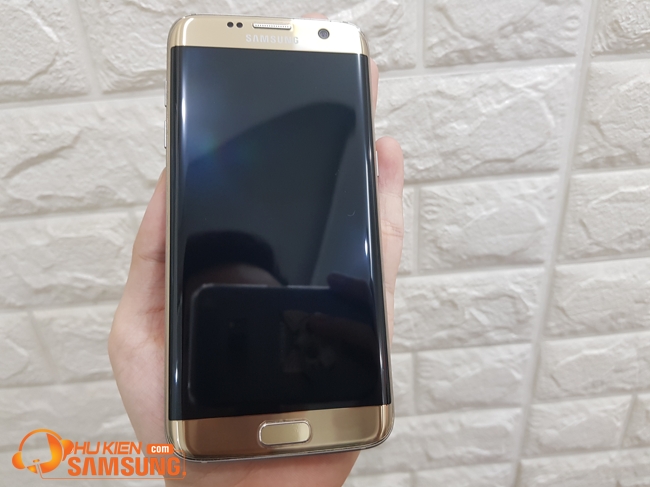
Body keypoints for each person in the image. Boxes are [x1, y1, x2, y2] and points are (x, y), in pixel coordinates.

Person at [109, 13, 405, 487]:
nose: (283, 344)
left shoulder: (337, 383)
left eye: (277, 313)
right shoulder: (199, 415)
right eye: (233, 324)